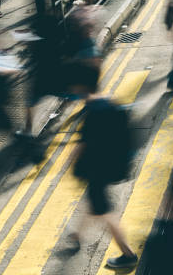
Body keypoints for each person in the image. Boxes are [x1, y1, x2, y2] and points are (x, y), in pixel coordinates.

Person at [68, 63, 138, 269]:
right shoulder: (111, 102)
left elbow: (83, 144)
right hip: (111, 165)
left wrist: (71, 163)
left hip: (98, 169)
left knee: (105, 211)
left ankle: (128, 254)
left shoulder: (92, 112)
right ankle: (76, 235)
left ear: (80, 86)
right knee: (94, 200)